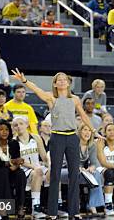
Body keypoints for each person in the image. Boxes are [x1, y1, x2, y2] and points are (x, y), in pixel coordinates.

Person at [10, 70, 96, 218]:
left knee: (74, 174)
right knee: (54, 174)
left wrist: (94, 131)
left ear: (68, 83)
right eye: (59, 80)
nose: (62, 81)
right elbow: (36, 89)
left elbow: (82, 115)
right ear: (55, 83)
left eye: (64, 79)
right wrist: (24, 81)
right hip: (57, 137)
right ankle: (52, 213)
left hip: (72, 137)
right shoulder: (51, 97)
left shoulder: (75, 99)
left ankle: (74, 212)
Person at [0, 119, 27, 219]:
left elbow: (18, 160)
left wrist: (15, 165)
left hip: (10, 171)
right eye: (1, 129)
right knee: (2, 171)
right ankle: (3, 207)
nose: (4, 132)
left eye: (6, 129)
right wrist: (11, 162)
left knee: (20, 173)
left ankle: (20, 205)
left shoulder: (14, 143)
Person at [60, 123, 104, 215]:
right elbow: (68, 161)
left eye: (89, 131)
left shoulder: (92, 145)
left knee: (96, 174)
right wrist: (78, 168)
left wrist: (92, 167)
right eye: (85, 130)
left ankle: (92, 205)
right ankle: (75, 204)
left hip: (82, 171)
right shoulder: (73, 143)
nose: (87, 133)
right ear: (79, 131)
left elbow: (94, 162)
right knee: (75, 174)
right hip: (66, 170)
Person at [12, 116, 49, 218]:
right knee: (37, 172)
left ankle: (58, 206)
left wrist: (50, 165)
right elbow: (19, 160)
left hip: (38, 168)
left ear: (27, 124)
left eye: (21, 123)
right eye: (16, 125)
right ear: (13, 128)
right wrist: (34, 167)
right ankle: (35, 208)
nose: (18, 126)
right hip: (24, 170)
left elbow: (44, 157)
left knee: (54, 172)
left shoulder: (36, 137)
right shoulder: (13, 141)